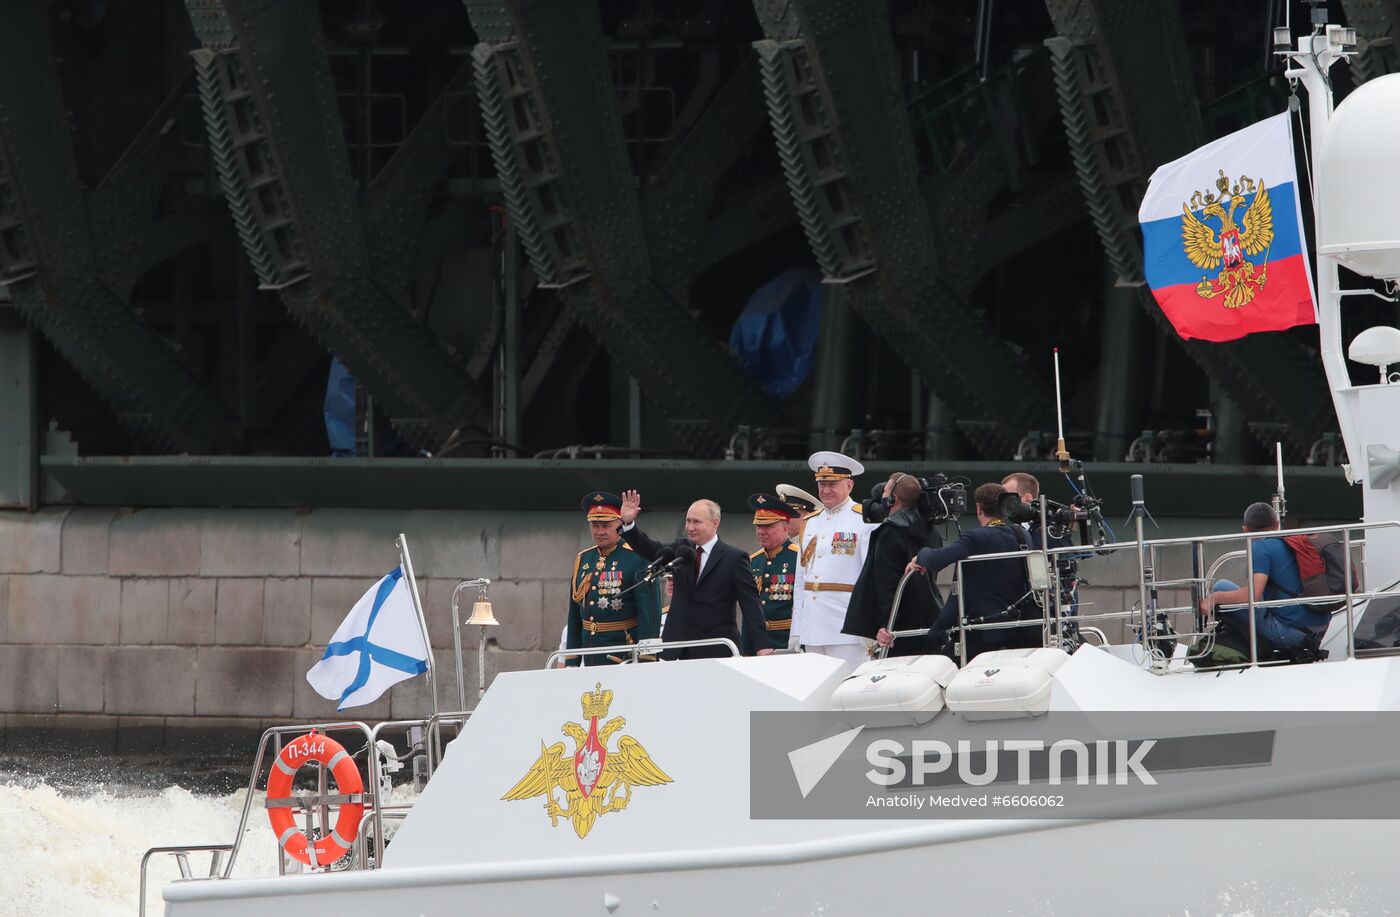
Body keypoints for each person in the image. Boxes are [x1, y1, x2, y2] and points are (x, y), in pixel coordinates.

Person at [618, 491, 772, 660]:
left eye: (697, 522)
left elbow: (750, 604)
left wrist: (762, 646)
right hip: (676, 649)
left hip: (715, 650)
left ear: (715, 523)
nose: (690, 527)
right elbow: (650, 548)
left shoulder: (734, 558)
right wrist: (628, 523)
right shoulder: (682, 550)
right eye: (688, 521)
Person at [904, 483, 1038, 659]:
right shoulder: (1022, 535)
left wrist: (919, 555)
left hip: (982, 630)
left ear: (979, 507)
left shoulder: (975, 537)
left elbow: (937, 559)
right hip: (1017, 627)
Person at [792, 451, 880, 666]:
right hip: (812, 626)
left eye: (832, 483)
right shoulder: (810, 522)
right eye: (822, 484)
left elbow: (872, 577)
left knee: (848, 689)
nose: (826, 490)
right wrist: (797, 628)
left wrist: (869, 625)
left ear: (849, 486)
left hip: (848, 626)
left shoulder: (863, 519)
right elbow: (801, 580)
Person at [1198, 502, 1324, 650]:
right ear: (1277, 524)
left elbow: (1253, 594)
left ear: (1245, 530)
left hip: (1292, 634)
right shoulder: (1291, 542)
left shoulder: (1260, 548)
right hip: (1319, 629)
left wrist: (1215, 597)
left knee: (1222, 586)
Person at [845, 473, 942, 656]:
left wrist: (885, 625)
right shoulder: (932, 532)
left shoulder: (889, 534)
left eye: (886, 491)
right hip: (928, 617)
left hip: (899, 627)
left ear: (893, 499)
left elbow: (886, 583)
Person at [565, 492, 661, 666]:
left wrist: (647, 658)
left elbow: (649, 613)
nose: (600, 531)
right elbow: (574, 614)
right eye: (595, 525)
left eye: (606, 525)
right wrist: (572, 659)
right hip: (590, 653)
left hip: (623, 654)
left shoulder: (638, 557)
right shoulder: (583, 559)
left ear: (619, 524)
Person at [744, 493, 801, 653]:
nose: (761, 531)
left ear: (785, 528)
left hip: (786, 640)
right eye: (758, 526)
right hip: (756, 641)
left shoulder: (799, 558)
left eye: (768, 526)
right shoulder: (752, 561)